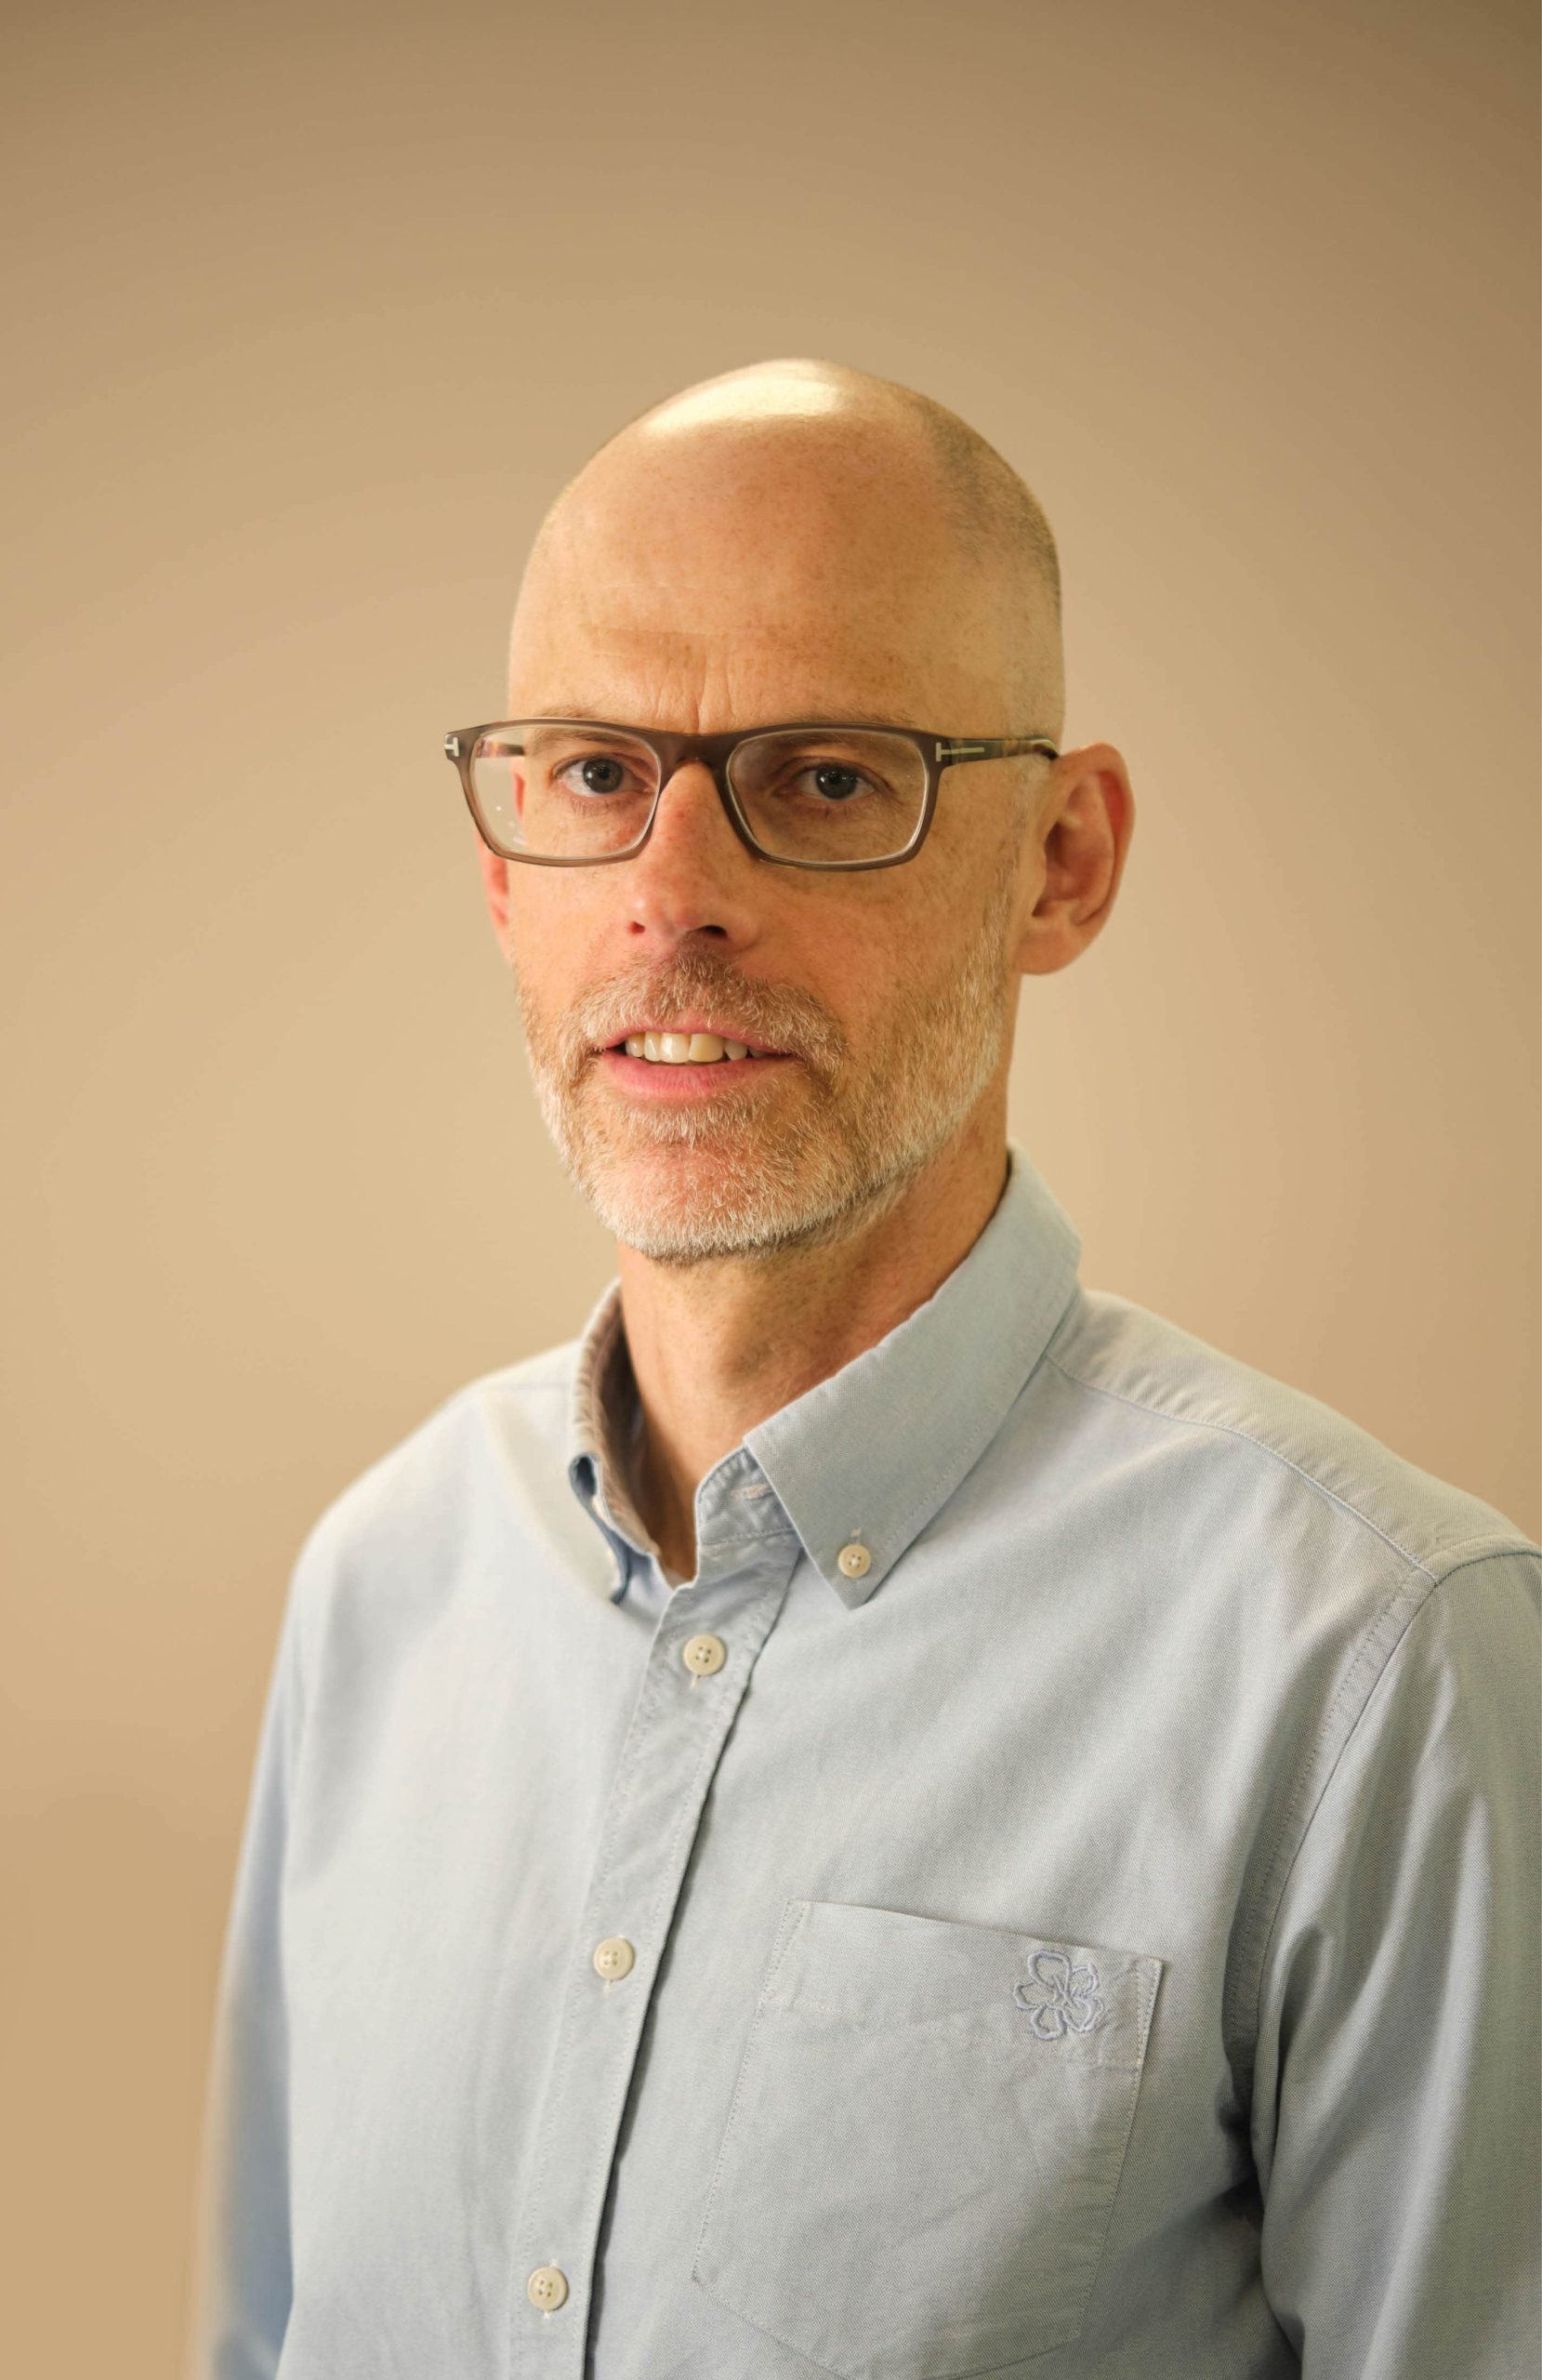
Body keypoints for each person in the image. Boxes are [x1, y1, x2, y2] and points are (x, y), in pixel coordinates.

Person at [187, 358, 1540, 2380]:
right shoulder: (382, 1579)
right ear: (500, 877)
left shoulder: (1372, 1661)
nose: (673, 892)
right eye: (588, 774)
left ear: (1060, 861)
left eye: (825, 776)